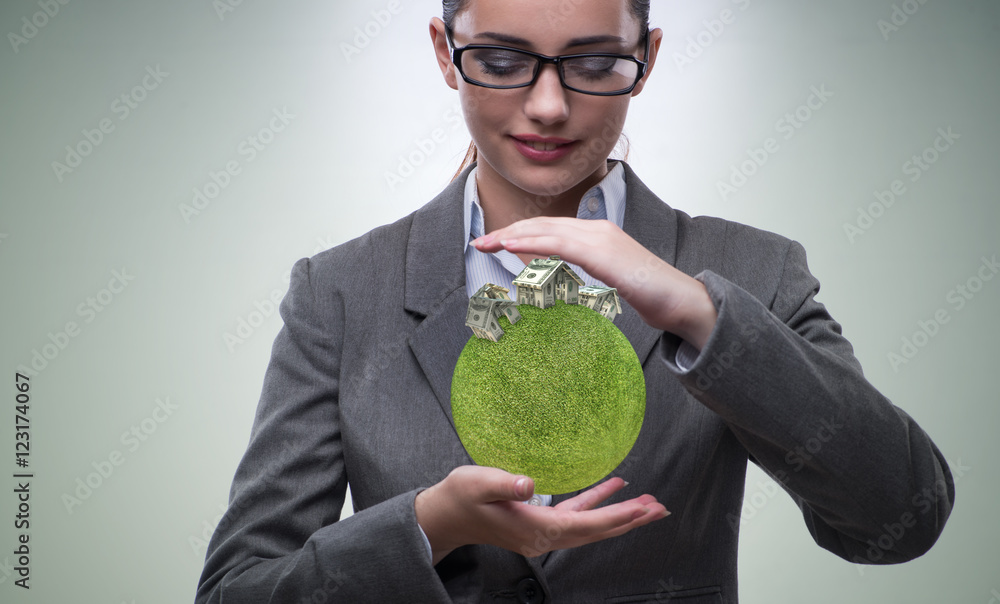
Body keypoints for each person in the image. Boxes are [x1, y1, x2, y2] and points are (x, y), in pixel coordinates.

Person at [195, 1, 955, 602]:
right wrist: (428, 527)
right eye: (501, 61)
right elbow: (237, 589)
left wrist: (700, 315)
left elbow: (901, 517)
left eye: (594, 63)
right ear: (444, 53)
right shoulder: (339, 292)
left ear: (646, 58)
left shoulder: (750, 272)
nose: (550, 105)